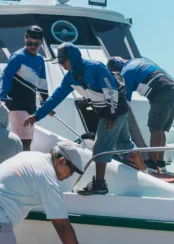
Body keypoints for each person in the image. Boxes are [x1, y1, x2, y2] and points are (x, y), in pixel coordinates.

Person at [25, 43, 135, 196]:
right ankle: (143, 170)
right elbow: (56, 97)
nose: (62, 65)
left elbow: (111, 90)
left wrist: (110, 115)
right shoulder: (70, 78)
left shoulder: (96, 68)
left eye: (63, 61)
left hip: (113, 111)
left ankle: (100, 184)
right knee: (125, 144)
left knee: (100, 147)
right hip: (113, 111)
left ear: (73, 58)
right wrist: (37, 115)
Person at [107, 57, 174, 172]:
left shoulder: (126, 72)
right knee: (160, 129)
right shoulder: (138, 62)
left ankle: (152, 164)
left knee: (155, 128)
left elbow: (124, 102)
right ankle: (160, 163)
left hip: (161, 92)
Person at [0, 25, 49, 151]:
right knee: (24, 143)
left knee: (28, 141)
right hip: (16, 104)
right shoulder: (18, 57)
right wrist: (2, 98)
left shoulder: (40, 60)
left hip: (30, 106)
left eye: (36, 44)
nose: (32, 46)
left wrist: (47, 105)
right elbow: (6, 77)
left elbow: (42, 84)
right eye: (29, 43)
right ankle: (23, 169)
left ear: (42, 43)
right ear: (25, 39)